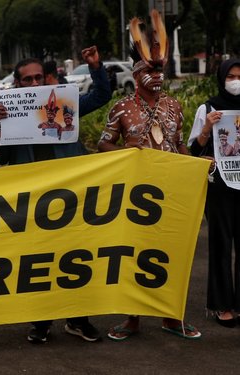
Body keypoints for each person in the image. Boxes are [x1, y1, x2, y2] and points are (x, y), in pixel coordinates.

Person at [0, 46, 111, 344]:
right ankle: (41, 322)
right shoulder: (10, 113)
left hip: (71, 198)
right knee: (37, 262)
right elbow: (4, 159)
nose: (34, 85)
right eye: (26, 80)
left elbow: (100, 96)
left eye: (38, 79)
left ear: (47, 79)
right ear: (16, 84)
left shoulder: (64, 104)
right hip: (33, 201)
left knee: (75, 259)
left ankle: (78, 319)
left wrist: (96, 67)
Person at [98, 10, 200, 340]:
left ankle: (171, 316)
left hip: (170, 191)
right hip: (136, 194)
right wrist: (130, 155)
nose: (156, 75)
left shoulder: (174, 106)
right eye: (149, 69)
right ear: (136, 70)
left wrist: (196, 169)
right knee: (134, 252)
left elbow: (179, 144)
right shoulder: (122, 107)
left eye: (160, 70)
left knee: (172, 252)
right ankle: (133, 318)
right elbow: (103, 144)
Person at [188, 58, 240, 328]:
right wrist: (207, 128)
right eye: (230, 76)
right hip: (220, 186)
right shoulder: (208, 108)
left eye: (239, 76)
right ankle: (223, 306)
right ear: (221, 78)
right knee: (220, 245)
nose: (235, 81)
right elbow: (194, 151)